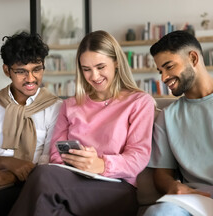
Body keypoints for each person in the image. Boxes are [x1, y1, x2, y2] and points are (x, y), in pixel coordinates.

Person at [9, 30, 156, 216]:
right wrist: (79, 163)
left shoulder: (139, 102)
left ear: (116, 62)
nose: (94, 76)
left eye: (100, 67)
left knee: (43, 175)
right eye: (86, 69)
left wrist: (100, 164)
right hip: (71, 182)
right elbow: (55, 154)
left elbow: (138, 157)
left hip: (117, 189)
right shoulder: (70, 105)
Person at [143, 30, 213, 216]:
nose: (163, 78)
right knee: (158, 213)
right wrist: (173, 187)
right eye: (160, 71)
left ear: (193, 58)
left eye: (169, 67)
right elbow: (162, 174)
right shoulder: (167, 117)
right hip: (195, 199)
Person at [0, 31, 62, 216]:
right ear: (6, 70)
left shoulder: (55, 108)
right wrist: (7, 162)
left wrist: (8, 176)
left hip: (32, 185)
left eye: (37, 69)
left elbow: (49, 163)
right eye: (21, 71)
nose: (31, 78)